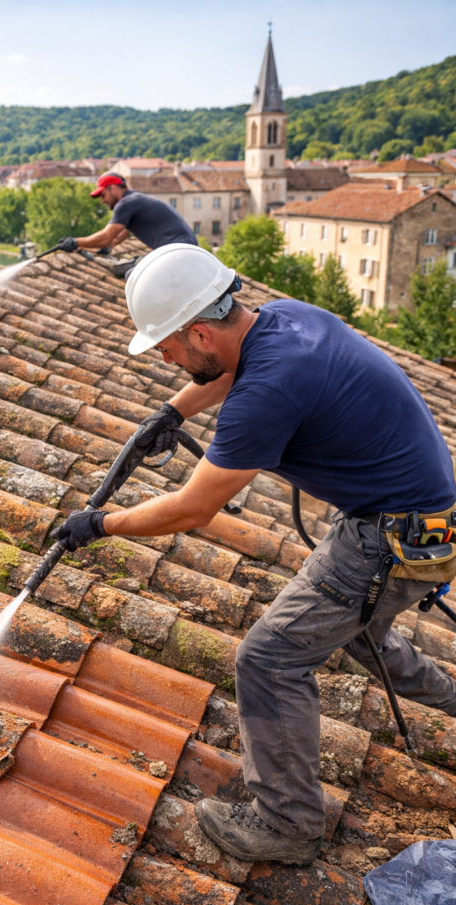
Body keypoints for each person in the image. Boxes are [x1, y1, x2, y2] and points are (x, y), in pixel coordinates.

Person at [51, 242, 456, 867]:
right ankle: (449, 707)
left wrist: (101, 524)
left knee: (268, 659)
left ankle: (290, 824)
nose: (165, 357)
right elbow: (231, 372)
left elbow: (190, 510)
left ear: (201, 332)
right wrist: (172, 411)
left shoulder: (268, 391)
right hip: (426, 518)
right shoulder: (287, 319)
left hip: (392, 535)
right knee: (356, 626)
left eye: (167, 346)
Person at [56, 173, 197, 258]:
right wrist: (108, 247)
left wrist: (75, 242)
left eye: (103, 195)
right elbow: (120, 235)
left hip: (179, 251)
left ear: (113, 188)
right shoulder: (134, 200)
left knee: (133, 278)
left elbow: (106, 237)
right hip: (186, 248)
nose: (103, 201)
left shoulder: (125, 203)